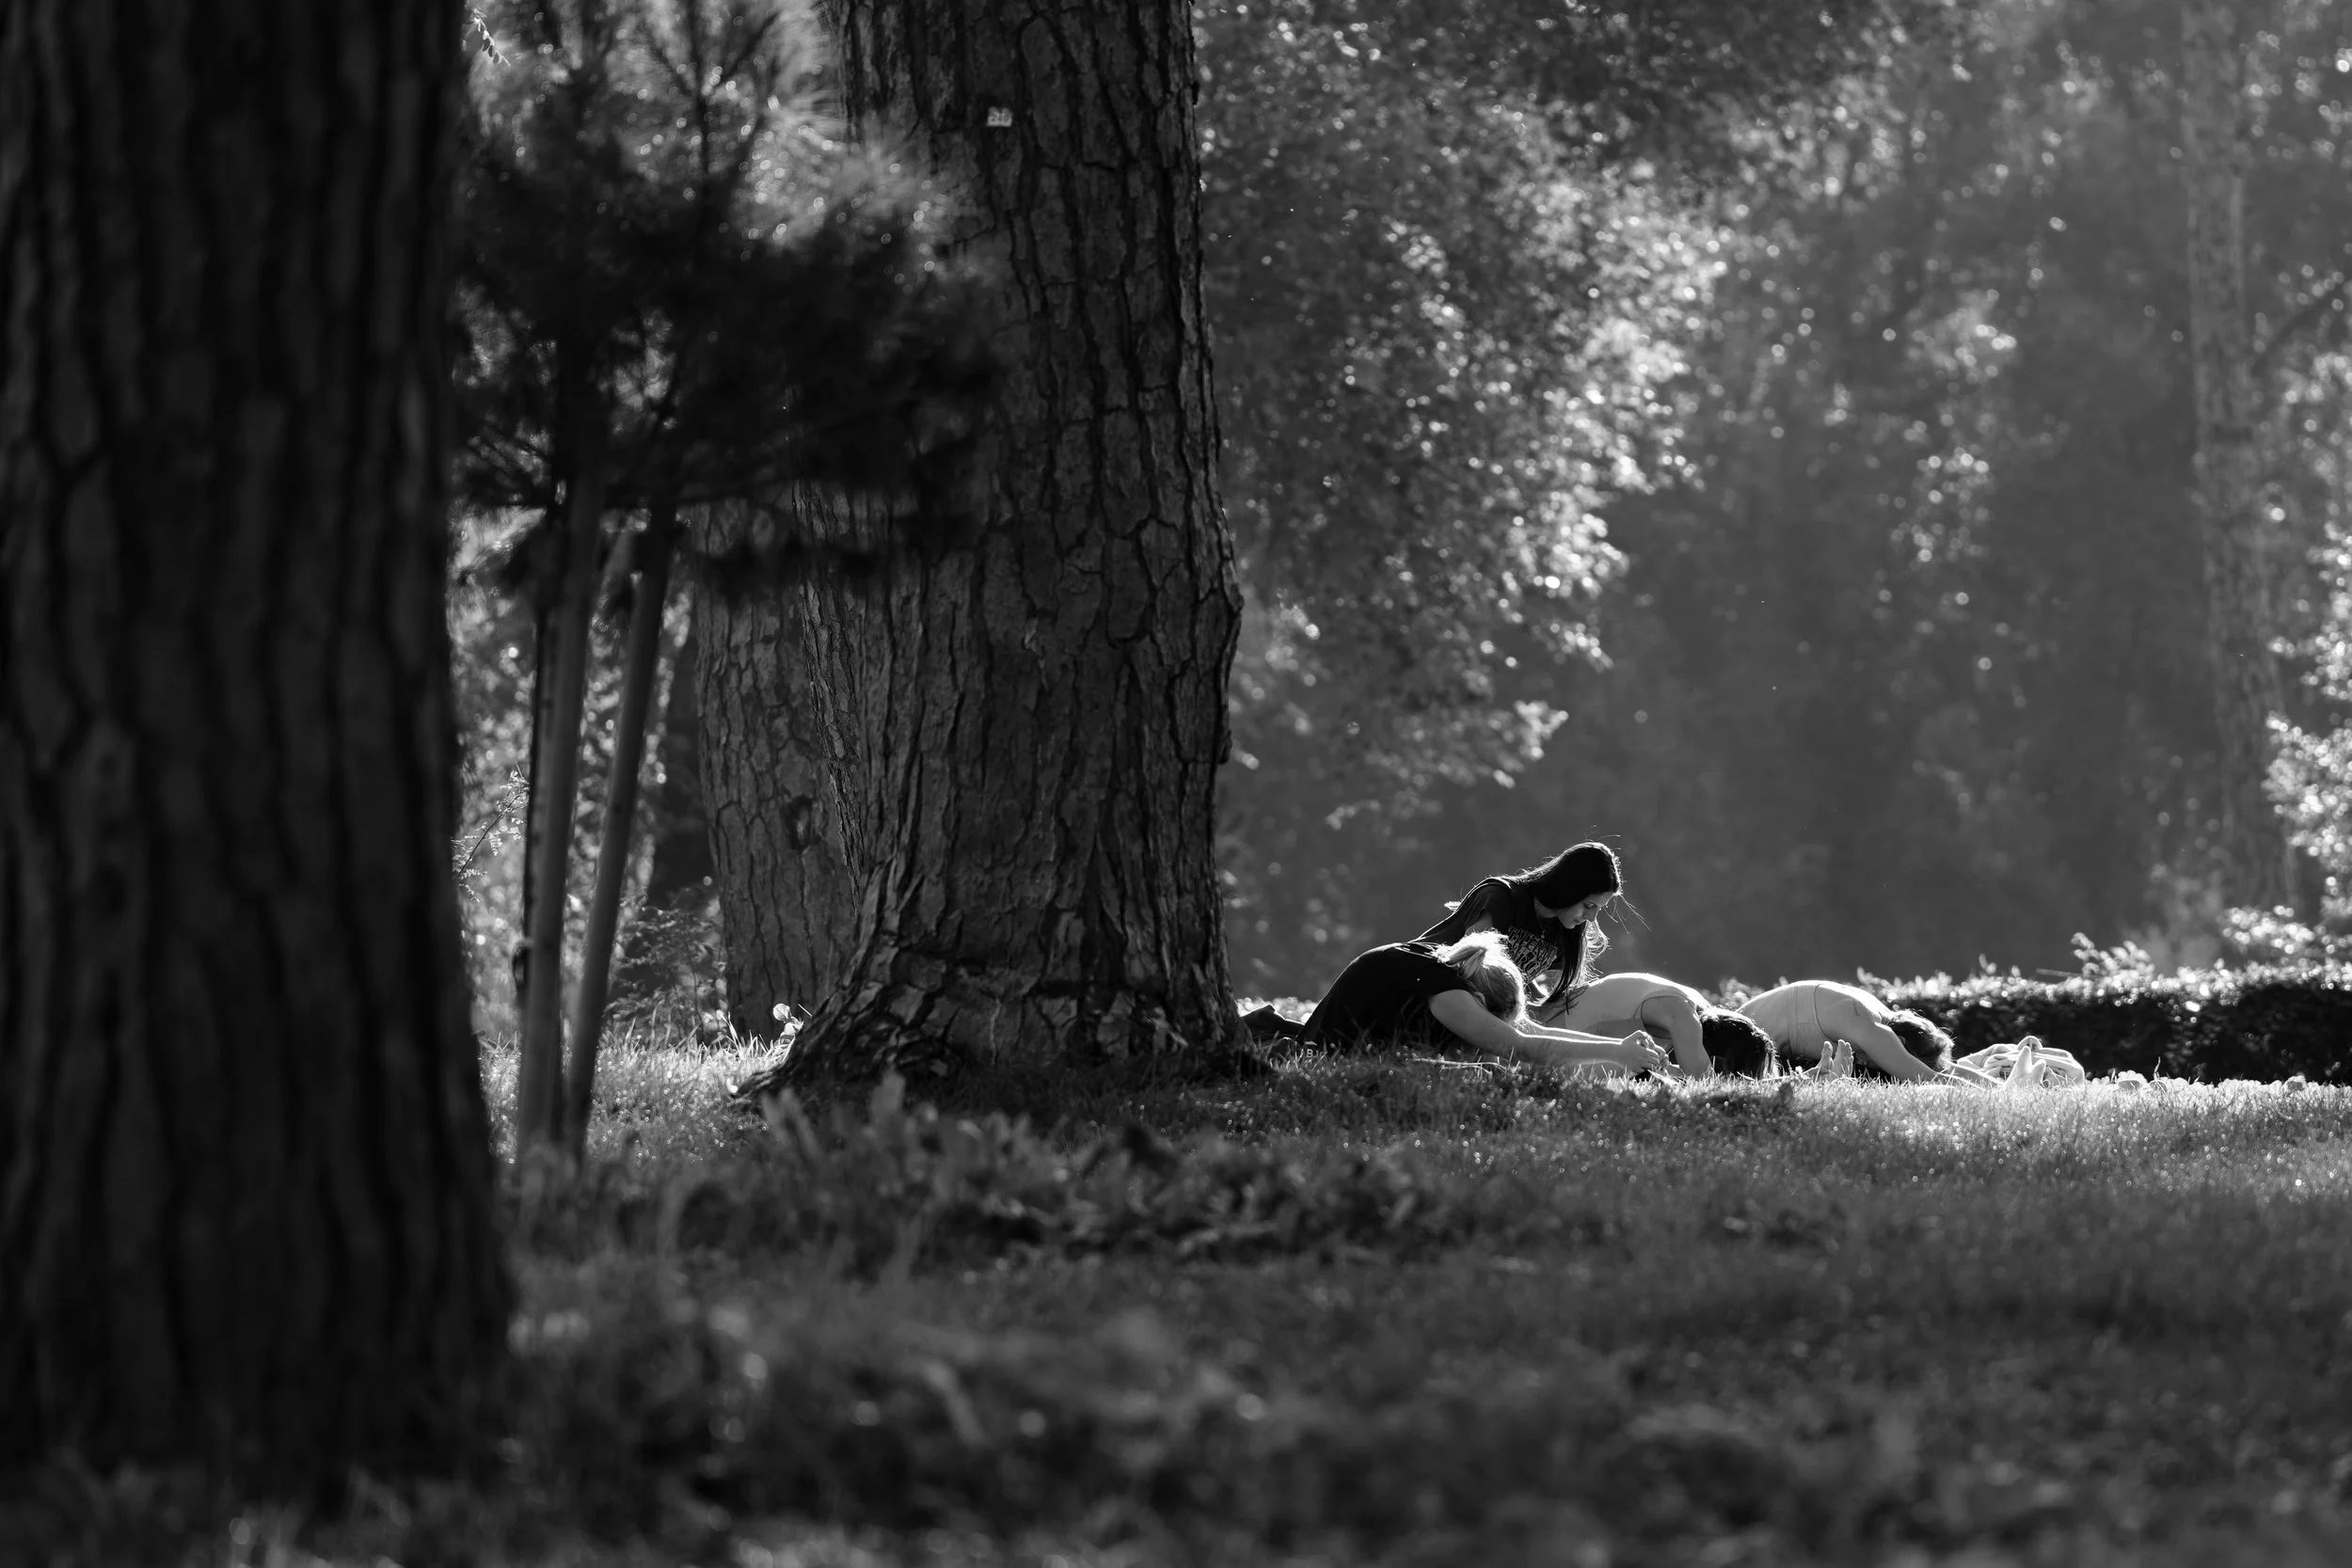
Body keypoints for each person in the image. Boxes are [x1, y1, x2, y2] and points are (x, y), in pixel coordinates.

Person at [1246, 932, 1674, 1074]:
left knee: (1480, 1070)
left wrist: (1618, 1050)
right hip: (1329, 1058)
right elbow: (1524, 1047)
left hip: (1345, 1045)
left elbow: (1530, 1030)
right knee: (1485, 1071)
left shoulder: (1449, 966)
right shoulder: (1450, 997)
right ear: (1479, 1002)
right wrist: (1617, 1053)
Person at [1418, 842, 1623, 1012]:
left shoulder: (1563, 929)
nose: (1592, 917)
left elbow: (1517, 974)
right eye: (1588, 906)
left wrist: (1544, 1006)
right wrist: (1526, 1011)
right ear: (1569, 889)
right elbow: (1472, 965)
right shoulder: (1501, 897)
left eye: (1599, 909)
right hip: (1418, 985)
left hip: (1456, 1009)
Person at [1734, 979, 1994, 1085]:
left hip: (1741, 1031)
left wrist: (1998, 1087)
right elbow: (1931, 1080)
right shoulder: (1874, 1031)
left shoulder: (1875, 1012)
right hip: (1733, 1043)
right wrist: (1993, 1096)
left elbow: (1946, 1070)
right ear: (1902, 1043)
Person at [1540, 971, 1778, 1079]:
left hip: (1565, 1030)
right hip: (1557, 1034)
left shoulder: (1694, 1009)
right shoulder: (1685, 1019)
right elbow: (1702, 1081)